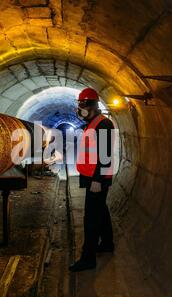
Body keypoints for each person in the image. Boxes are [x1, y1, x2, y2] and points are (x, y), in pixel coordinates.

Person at [69, 88, 115, 272]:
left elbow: (105, 155)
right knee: (101, 210)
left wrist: (97, 180)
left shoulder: (103, 125)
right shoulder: (93, 123)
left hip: (98, 179)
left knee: (91, 218)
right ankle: (107, 244)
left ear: (93, 106)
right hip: (91, 176)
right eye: (80, 106)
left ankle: (88, 259)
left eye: (83, 106)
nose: (81, 109)